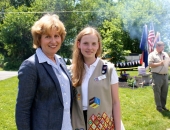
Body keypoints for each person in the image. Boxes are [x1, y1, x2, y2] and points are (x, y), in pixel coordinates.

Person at [15, 14, 73, 130]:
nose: (53, 41)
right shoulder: (31, 66)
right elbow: (22, 109)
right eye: (47, 36)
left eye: (56, 36)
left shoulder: (61, 61)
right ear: (39, 39)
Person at [71, 27, 124, 130]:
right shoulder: (71, 70)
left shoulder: (108, 69)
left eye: (93, 43)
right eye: (85, 43)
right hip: (77, 123)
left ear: (98, 45)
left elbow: (115, 102)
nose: (90, 47)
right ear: (79, 44)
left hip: (102, 123)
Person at [148, 41, 169, 113]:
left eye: (163, 47)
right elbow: (150, 64)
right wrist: (160, 63)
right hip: (157, 75)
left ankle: (163, 106)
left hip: (165, 76)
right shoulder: (152, 55)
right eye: (162, 47)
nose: (163, 48)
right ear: (157, 46)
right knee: (157, 91)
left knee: (164, 92)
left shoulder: (165, 54)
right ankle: (159, 107)